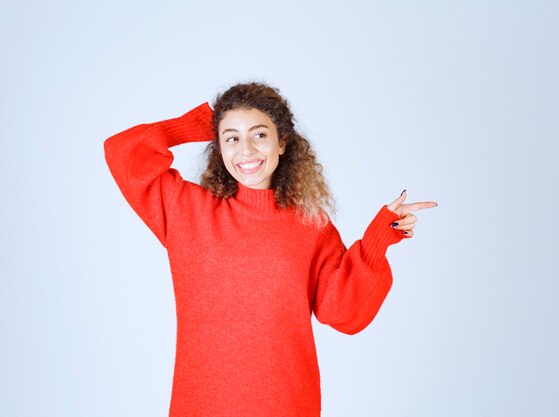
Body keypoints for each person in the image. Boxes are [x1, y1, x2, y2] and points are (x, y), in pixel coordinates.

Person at [103, 81, 437, 417]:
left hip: (287, 403)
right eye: (231, 137)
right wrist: (196, 124)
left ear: (283, 143)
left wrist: (378, 240)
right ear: (218, 146)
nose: (245, 150)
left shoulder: (310, 225)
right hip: (202, 405)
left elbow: (343, 313)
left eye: (259, 134)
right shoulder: (187, 211)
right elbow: (123, 151)